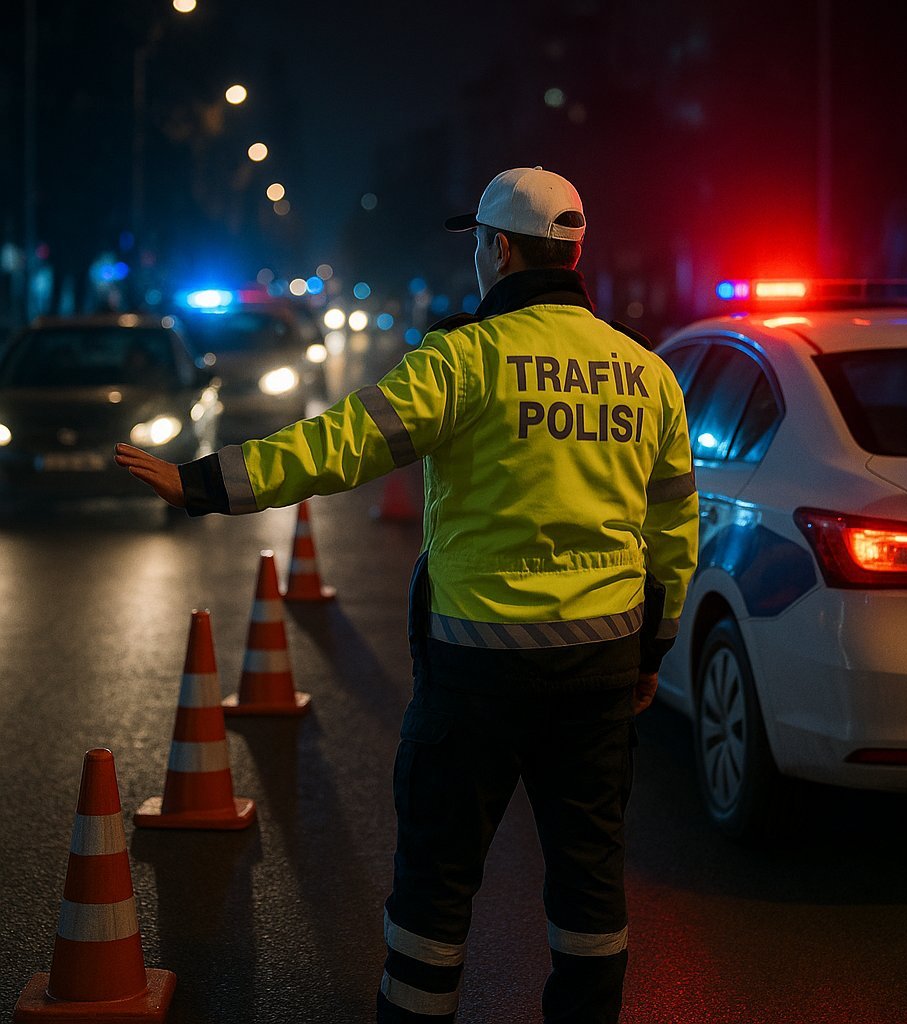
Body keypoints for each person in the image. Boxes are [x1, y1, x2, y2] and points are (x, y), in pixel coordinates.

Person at [114, 166, 699, 1023]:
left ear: (498, 250)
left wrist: (205, 483)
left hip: (477, 675)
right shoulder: (646, 374)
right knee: (589, 883)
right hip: (600, 669)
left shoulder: (463, 361)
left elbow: (338, 445)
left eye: (477, 244)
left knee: (435, 887)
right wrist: (654, 647)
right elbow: (676, 529)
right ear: (573, 250)